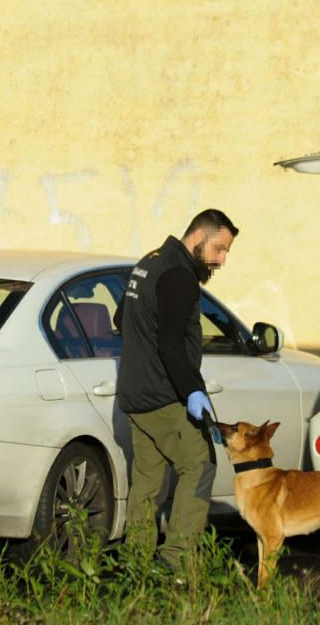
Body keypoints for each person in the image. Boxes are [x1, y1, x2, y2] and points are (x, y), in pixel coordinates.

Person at [114, 208, 238, 572]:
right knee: (199, 466)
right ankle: (176, 564)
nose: (221, 260)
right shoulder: (179, 276)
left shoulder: (149, 262)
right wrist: (192, 392)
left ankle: (137, 562)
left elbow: (122, 319)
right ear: (198, 237)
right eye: (219, 249)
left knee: (149, 479)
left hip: (134, 395)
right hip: (163, 397)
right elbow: (170, 344)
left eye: (227, 252)